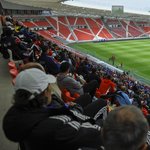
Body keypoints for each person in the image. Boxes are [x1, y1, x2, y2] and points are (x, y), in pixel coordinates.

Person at [3, 68, 105, 150]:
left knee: (86, 97)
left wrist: (65, 106)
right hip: (73, 120)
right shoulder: (55, 128)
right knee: (102, 110)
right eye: (48, 87)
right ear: (44, 93)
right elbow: (93, 133)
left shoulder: (18, 113)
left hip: (62, 117)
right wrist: (74, 107)